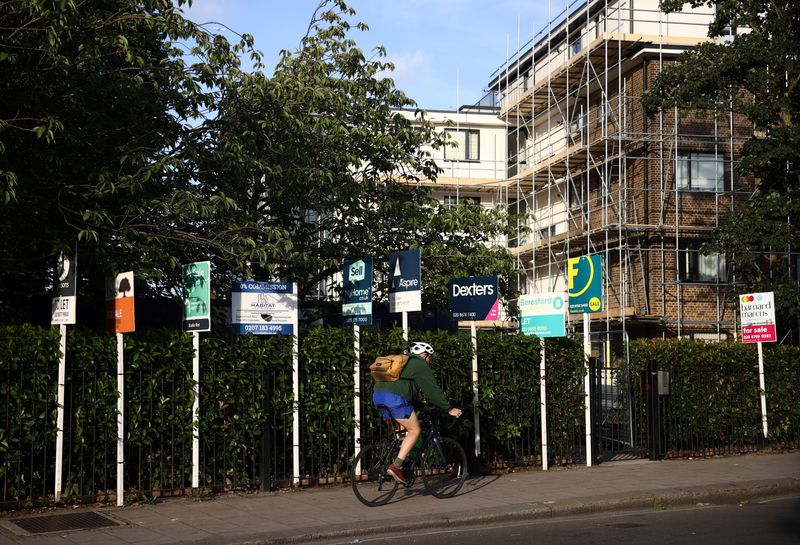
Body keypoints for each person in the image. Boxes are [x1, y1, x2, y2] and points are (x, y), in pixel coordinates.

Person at [372, 341, 462, 485]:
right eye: (429, 357)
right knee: (415, 430)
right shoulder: (419, 364)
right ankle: (396, 467)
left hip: (378, 396)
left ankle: (402, 462)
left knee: (403, 433)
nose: (429, 361)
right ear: (425, 355)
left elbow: (411, 394)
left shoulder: (403, 362)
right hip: (394, 399)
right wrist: (449, 409)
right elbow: (432, 390)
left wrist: (423, 407)